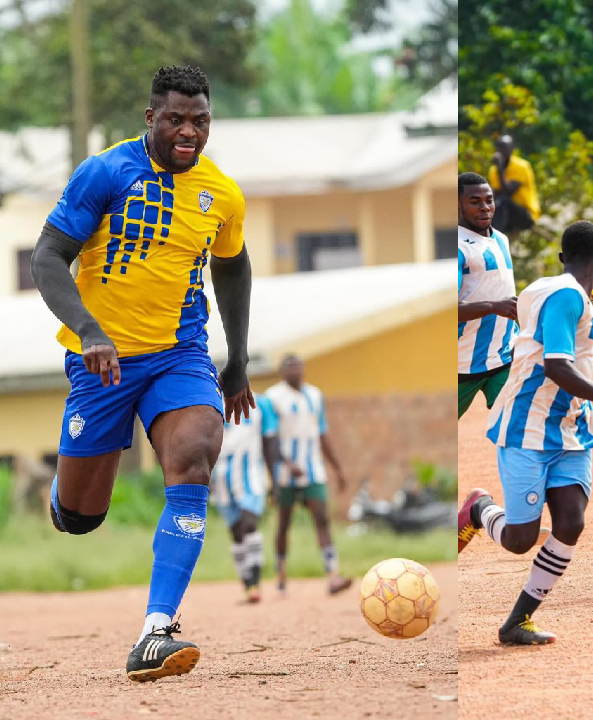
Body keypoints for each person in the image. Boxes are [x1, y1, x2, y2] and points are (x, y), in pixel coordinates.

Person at [29, 65, 253, 682]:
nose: (190, 131)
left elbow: (233, 267)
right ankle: (65, 493)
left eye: (201, 120)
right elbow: (47, 257)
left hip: (180, 355)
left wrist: (236, 359)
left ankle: (157, 631)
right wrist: (90, 330)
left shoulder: (222, 193)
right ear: (151, 118)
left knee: (196, 456)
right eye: (177, 118)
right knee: (80, 517)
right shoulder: (106, 172)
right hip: (102, 360)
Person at [457, 221, 593, 645]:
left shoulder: (543, 288)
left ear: (564, 257)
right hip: (528, 427)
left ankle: (516, 622)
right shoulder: (567, 297)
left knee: (571, 521)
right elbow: (557, 366)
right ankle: (479, 510)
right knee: (519, 540)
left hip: (571, 429)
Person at [263, 355, 351, 596]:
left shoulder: (315, 395)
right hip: (284, 473)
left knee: (322, 518)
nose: (295, 370)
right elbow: (269, 439)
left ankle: (333, 575)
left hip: (313, 469)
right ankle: (281, 573)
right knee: (284, 524)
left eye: (298, 365)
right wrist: (286, 464)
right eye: (289, 366)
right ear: (282, 371)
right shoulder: (273, 398)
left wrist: (338, 469)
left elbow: (322, 434)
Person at [458, 172, 518, 418]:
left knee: (517, 423)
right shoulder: (459, 246)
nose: (484, 207)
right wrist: (494, 306)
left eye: (489, 200)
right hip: (460, 365)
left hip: (502, 360)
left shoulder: (501, 240)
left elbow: (505, 295)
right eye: (475, 202)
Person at [210, 398, 277, 603]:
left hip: (250, 475)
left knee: (249, 525)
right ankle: (247, 583)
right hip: (221, 476)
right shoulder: (211, 400)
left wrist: (274, 479)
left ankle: (255, 582)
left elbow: (269, 442)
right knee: (236, 532)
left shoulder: (261, 404)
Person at [488, 135, 540, 235]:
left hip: (526, 214)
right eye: (500, 147)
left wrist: (500, 170)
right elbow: (496, 194)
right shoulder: (493, 171)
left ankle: (494, 238)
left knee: (503, 201)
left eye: (505, 147)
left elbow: (509, 191)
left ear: (512, 149)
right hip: (507, 216)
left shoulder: (521, 166)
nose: (502, 151)